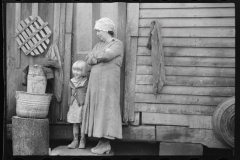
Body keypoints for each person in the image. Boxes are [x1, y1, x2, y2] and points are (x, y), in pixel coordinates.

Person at [81, 17, 123, 155]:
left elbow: (106, 56)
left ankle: (106, 142)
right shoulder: (98, 45)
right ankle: (101, 141)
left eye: (98, 30)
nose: (97, 33)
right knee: (98, 109)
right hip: (96, 85)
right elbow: (88, 59)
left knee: (107, 109)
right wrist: (95, 57)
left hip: (108, 85)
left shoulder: (117, 44)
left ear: (105, 29)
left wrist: (95, 57)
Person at [67, 60, 89, 149]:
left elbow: (88, 94)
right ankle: (75, 140)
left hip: (82, 105)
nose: (76, 72)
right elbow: (69, 93)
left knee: (81, 122)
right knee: (75, 122)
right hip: (74, 105)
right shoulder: (71, 81)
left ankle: (82, 140)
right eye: (74, 70)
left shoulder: (86, 82)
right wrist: (69, 102)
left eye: (79, 70)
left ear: (83, 71)